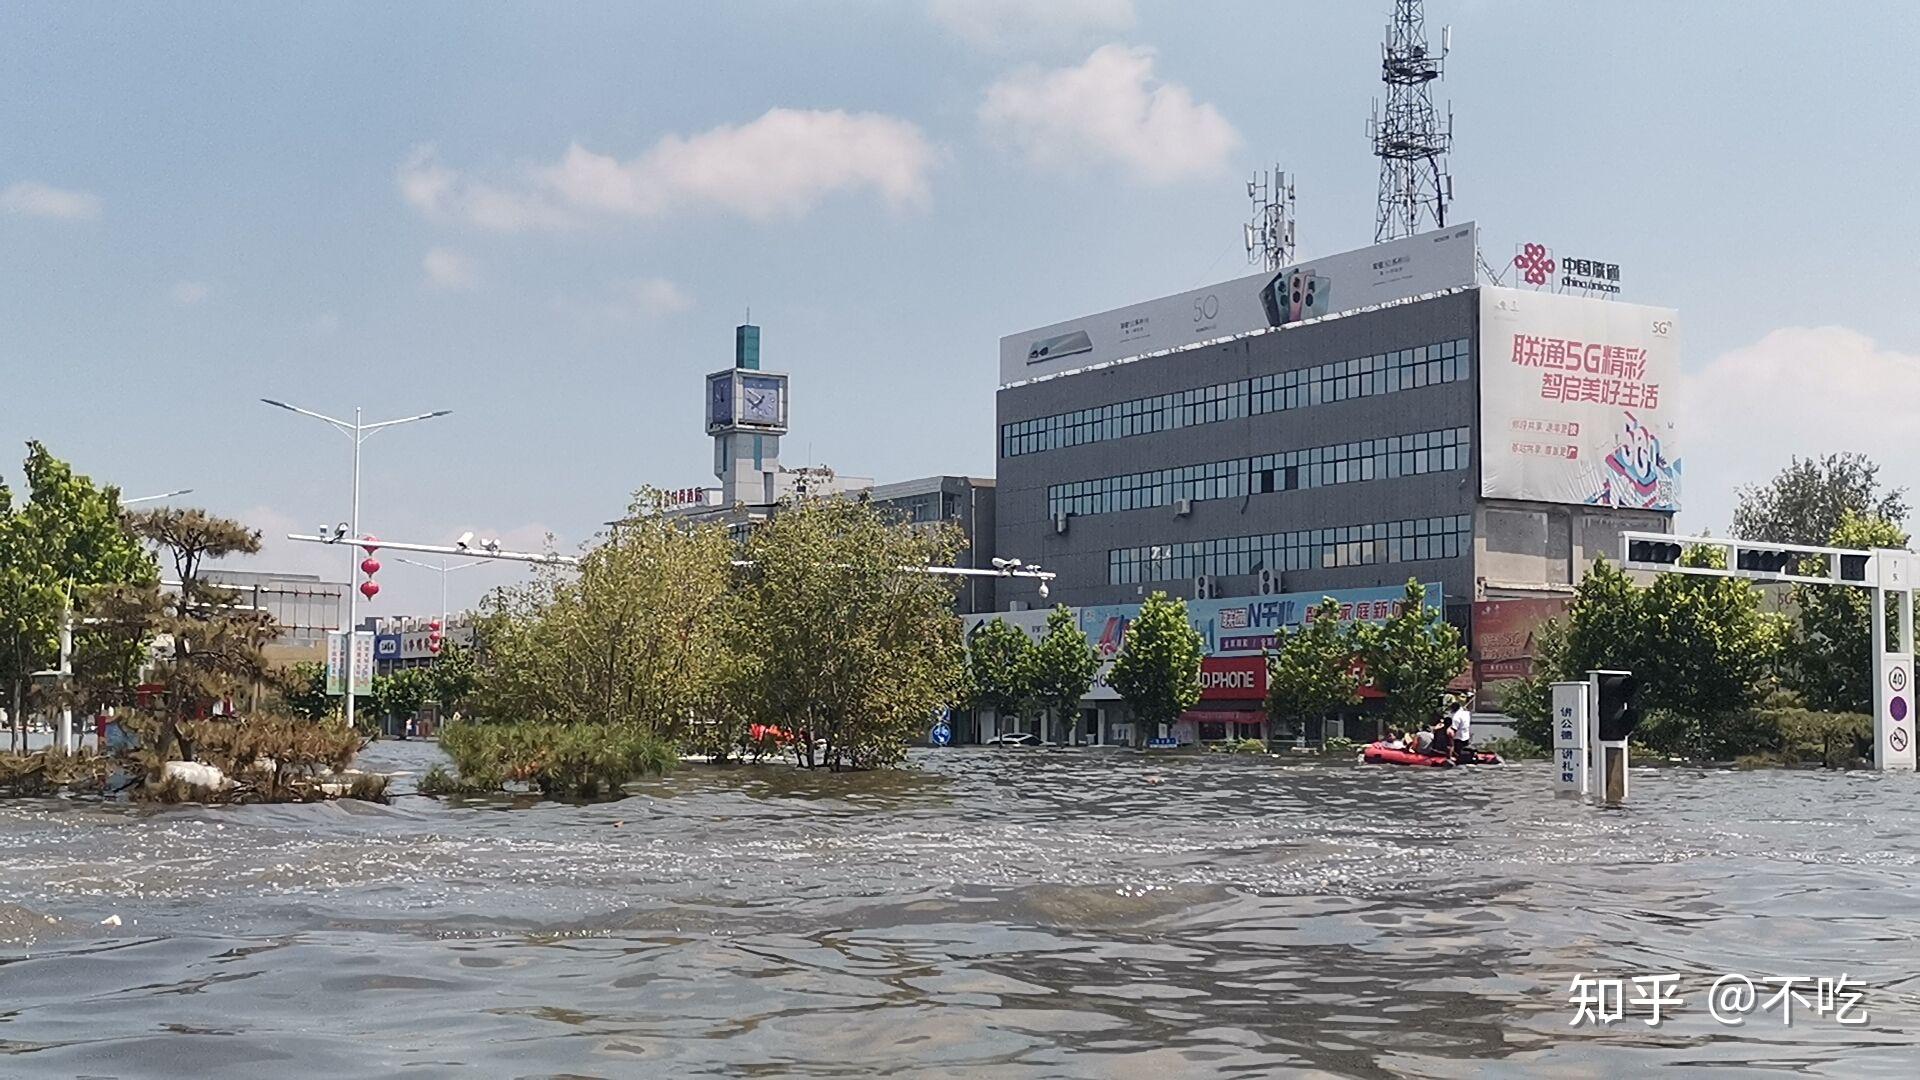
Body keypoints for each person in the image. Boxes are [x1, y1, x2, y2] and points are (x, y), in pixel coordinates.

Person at [1449, 694, 1474, 761]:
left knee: (1458, 753)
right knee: (1464, 751)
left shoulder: (1456, 717)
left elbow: (1454, 729)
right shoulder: (1466, 713)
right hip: (1466, 736)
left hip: (1458, 738)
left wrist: (1450, 743)